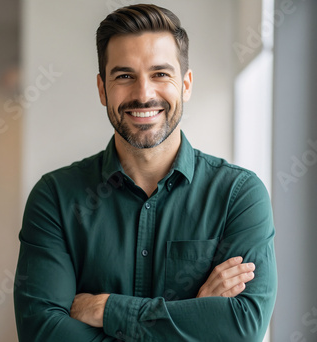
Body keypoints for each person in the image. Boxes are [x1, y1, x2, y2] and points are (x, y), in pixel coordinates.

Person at [14, 4, 277, 341]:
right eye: (124, 76)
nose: (143, 94)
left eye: (160, 74)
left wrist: (107, 309)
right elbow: (43, 333)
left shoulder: (238, 195)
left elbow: (242, 328)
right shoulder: (55, 198)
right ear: (101, 88)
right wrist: (193, 315)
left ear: (186, 84)